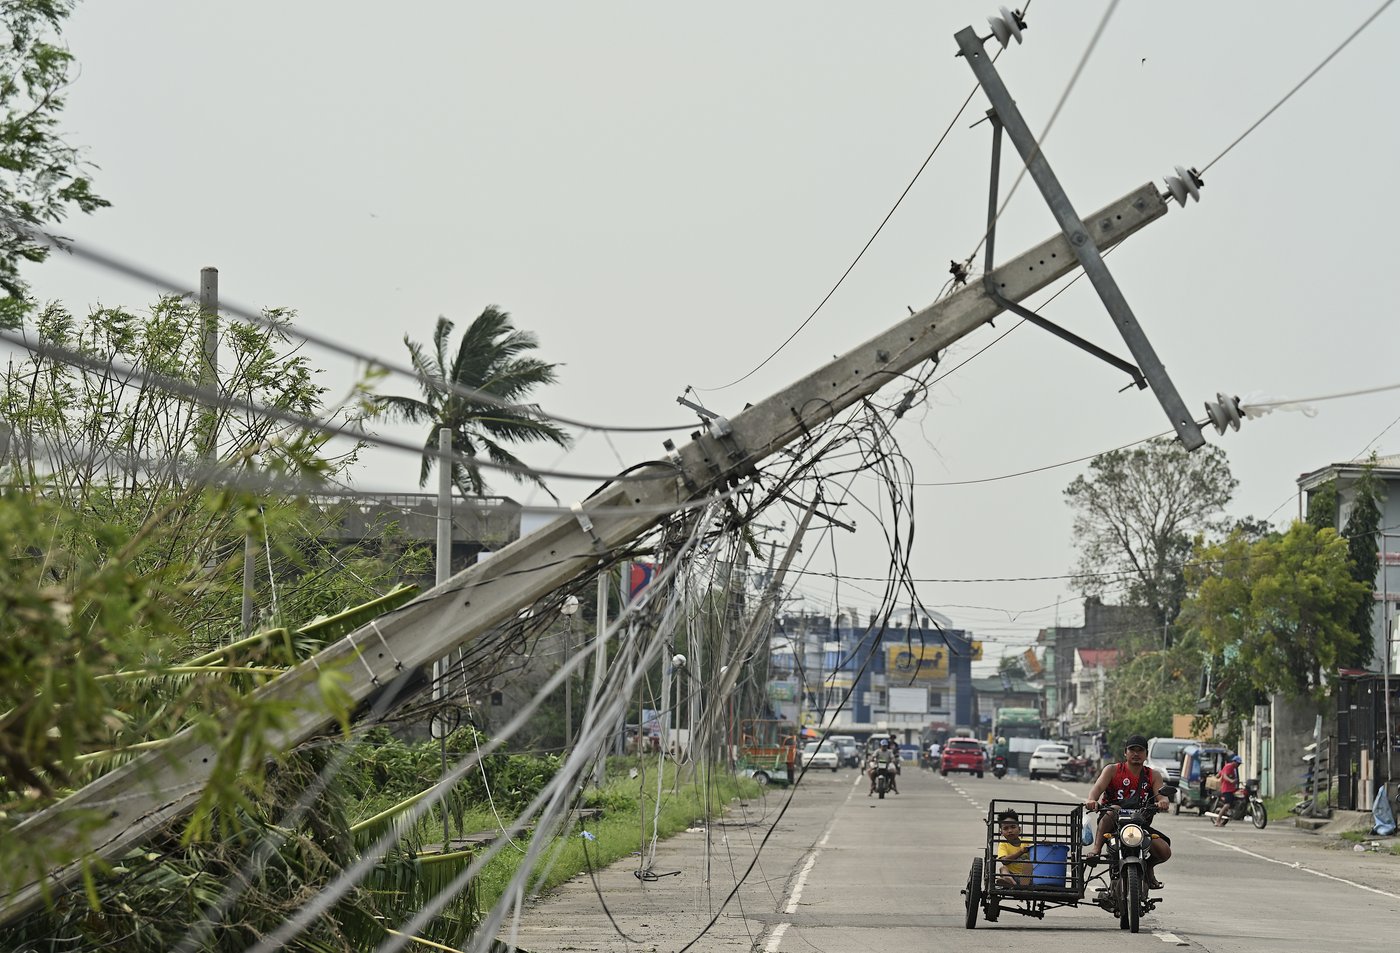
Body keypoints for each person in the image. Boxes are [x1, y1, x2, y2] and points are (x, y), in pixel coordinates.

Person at [1083, 734, 1172, 889]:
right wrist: (1091, 800)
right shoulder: (1112, 770)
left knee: (1165, 851)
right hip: (1112, 822)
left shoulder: (1153, 775)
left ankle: (1148, 867)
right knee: (1115, 809)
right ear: (1125, 752)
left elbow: (1162, 796)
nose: (1136, 754)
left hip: (1139, 824)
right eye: (1132, 750)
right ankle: (1096, 848)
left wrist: (1163, 802)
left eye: (1140, 750)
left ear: (1146, 754)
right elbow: (1096, 789)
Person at [994, 810, 1033, 885]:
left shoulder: (1027, 842)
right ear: (1001, 832)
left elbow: (1039, 848)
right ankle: (1009, 880)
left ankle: (1023, 886)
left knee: (1028, 864)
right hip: (1012, 876)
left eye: (1013, 827)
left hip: (1028, 877)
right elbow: (1004, 861)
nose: (1010, 831)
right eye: (1005, 828)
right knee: (1003, 868)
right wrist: (1020, 852)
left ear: (1019, 829)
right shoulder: (1003, 844)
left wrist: (1045, 842)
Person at [1214, 754, 1242, 826]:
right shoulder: (1229, 766)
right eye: (1238, 763)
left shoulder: (1234, 769)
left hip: (1233, 789)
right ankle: (1217, 821)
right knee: (1227, 805)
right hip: (1227, 789)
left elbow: (1219, 774)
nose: (1238, 765)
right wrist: (1230, 780)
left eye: (1239, 764)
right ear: (1234, 762)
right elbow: (1224, 775)